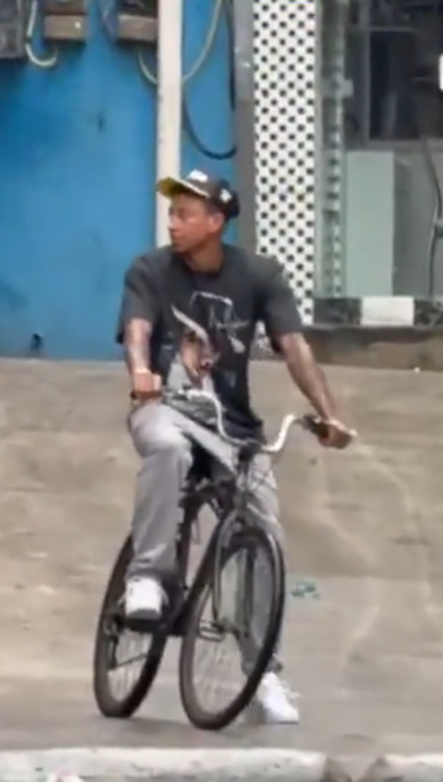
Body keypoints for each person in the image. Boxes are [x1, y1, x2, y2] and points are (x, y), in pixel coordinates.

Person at [116, 170, 354, 724]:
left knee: (264, 531)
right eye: (172, 213)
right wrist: (141, 372)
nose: (173, 222)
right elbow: (137, 330)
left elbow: (293, 346)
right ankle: (146, 577)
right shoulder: (150, 269)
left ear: (216, 222)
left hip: (232, 428)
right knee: (169, 453)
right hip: (165, 408)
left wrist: (330, 413)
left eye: (185, 213)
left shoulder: (259, 276)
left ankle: (262, 669)